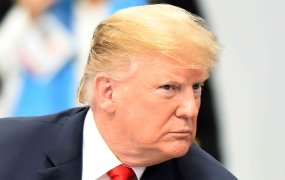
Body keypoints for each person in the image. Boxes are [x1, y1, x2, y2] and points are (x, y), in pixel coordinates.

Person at [0, 4, 237, 180]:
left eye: (196, 87)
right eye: (169, 88)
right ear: (108, 91)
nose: (190, 108)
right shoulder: (7, 151)